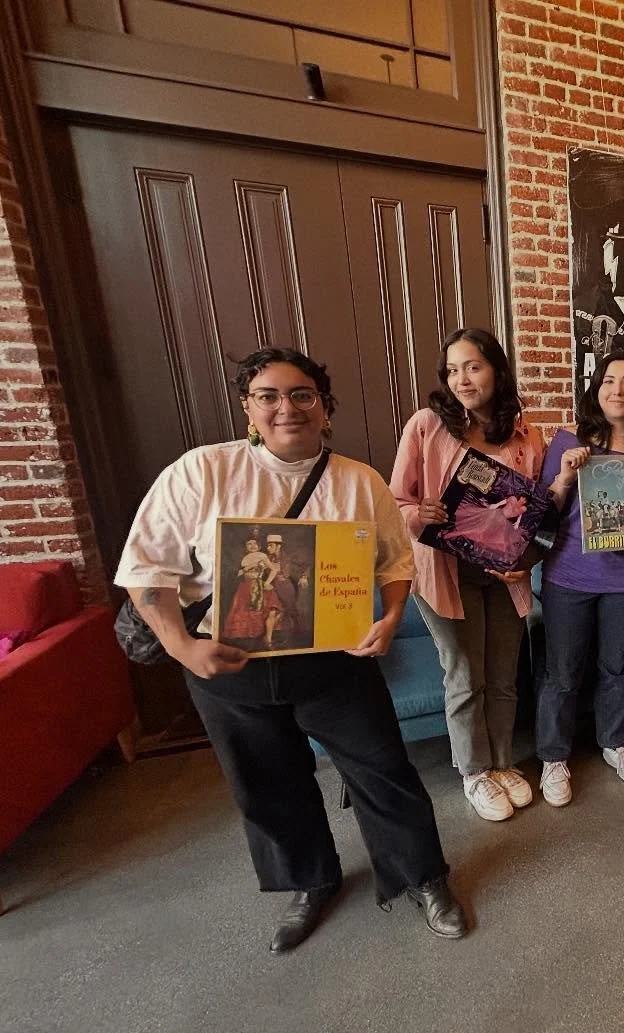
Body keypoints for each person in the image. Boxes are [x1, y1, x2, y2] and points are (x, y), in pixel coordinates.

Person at [115, 346, 465, 954]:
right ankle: (311, 882)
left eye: (303, 395)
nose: (287, 408)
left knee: (384, 772)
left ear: (325, 409)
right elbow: (147, 570)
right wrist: (181, 648)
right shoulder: (202, 472)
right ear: (248, 409)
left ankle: (424, 878)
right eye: (268, 396)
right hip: (228, 664)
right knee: (266, 781)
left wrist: (389, 617)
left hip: (335, 663)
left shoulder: (359, 481)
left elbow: (394, 561)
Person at [390, 328, 546, 822]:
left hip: (502, 575)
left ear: (497, 371)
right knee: (464, 674)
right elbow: (395, 504)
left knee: (503, 674)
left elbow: (536, 513)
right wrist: (421, 514)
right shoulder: (426, 426)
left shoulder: (526, 434)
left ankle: (503, 762)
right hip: (443, 572)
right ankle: (474, 771)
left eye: (473, 366)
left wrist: (523, 559)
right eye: (453, 369)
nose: (462, 379)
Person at [535, 350, 624, 806]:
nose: (618, 389)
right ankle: (554, 757)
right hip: (569, 576)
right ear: (596, 388)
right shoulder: (568, 441)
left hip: (623, 580)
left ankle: (614, 743)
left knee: (616, 667)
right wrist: (565, 476)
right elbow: (543, 513)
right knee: (562, 672)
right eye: (609, 380)